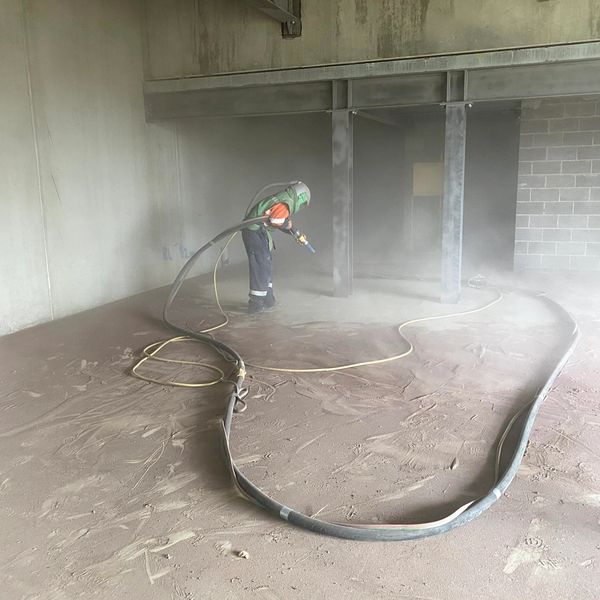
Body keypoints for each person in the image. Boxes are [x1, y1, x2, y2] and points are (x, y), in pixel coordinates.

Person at [241, 181, 311, 314]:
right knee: (261, 265)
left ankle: (268, 300)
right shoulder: (287, 202)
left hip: (259, 232)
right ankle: (256, 305)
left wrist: (294, 232)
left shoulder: (284, 198)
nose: (301, 207)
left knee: (265, 264)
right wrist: (288, 225)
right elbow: (276, 221)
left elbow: (276, 220)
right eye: (303, 203)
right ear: (300, 197)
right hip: (254, 232)